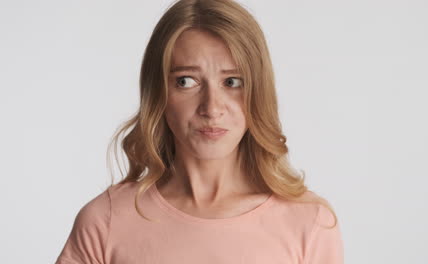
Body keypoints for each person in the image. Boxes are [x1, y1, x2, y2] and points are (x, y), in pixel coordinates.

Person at [55, 0, 344, 263]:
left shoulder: (310, 222)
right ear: (158, 93)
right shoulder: (105, 222)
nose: (212, 107)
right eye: (186, 81)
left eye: (232, 82)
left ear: (259, 92)